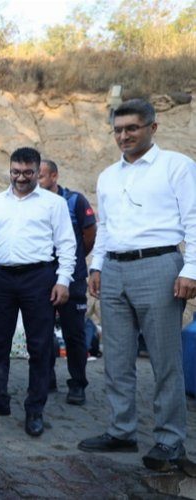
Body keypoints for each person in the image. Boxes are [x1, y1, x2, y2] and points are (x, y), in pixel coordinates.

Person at [78, 99, 196, 472]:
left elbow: (194, 219)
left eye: (132, 128)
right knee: (116, 357)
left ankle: (170, 440)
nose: (124, 136)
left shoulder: (176, 166)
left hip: (160, 265)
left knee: (165, 360)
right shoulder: (108, 176)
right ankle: (121, 430)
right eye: (118, 129)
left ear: (152, 128)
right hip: (113, 269)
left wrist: (191, 268)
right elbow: (107, 226)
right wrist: (97, 265)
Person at [0, 147, 76, 437]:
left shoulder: (53, 204)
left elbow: (67, 244)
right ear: (10, 170)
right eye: (15, 172)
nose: (21, 178)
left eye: (28, 172)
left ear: (37, 170)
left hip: (39, 277)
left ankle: (35, 409)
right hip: (2, 277)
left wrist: (63, 280)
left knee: (40, 345)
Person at [38, 159, 97, 405]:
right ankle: (46, 378)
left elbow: (89, 234)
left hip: (72, 280)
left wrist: (74, 261)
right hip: (41, 278)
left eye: (41, 176)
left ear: (54, 176)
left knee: (74, 334)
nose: (37, 181)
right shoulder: (33, 203)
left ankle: (77, 384)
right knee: (41, 333)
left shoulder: (75, 201)